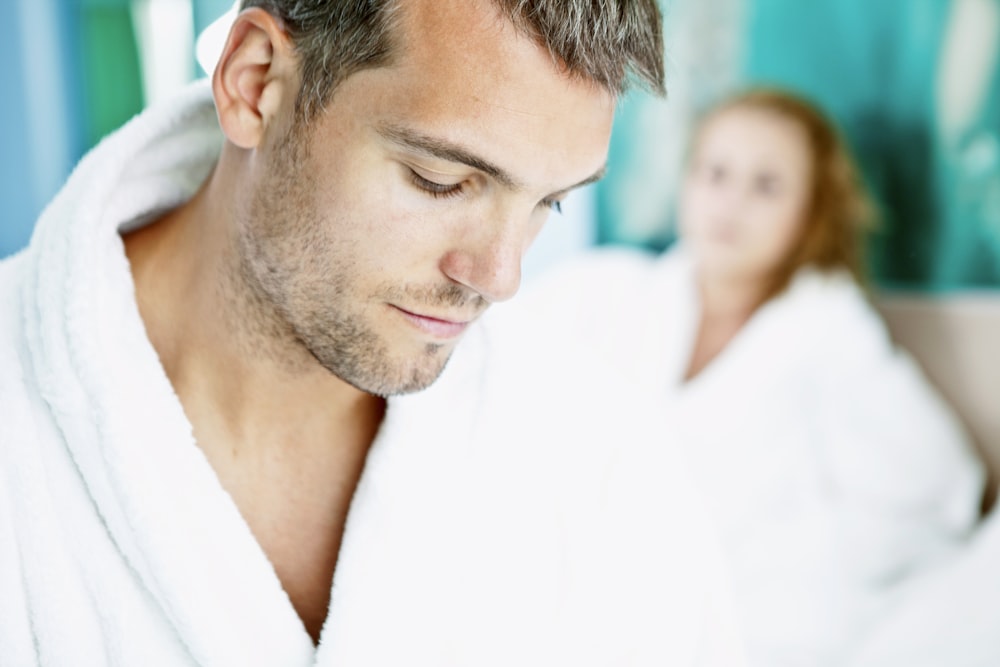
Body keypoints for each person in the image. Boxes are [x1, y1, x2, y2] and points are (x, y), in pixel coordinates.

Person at [0, 1, 747, 665]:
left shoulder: (600, 468)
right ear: (257, 82)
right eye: (439, 180)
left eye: (547, 202)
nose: (498, 275)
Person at [508, 88, 987, 666]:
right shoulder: (604, 291)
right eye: (715, 173)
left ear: (810, 212)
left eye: (767, 186)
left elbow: (941, 486)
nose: (730, 203)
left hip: (753, 611)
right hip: (589, 586)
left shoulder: (828, 329)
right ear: (686, 182)